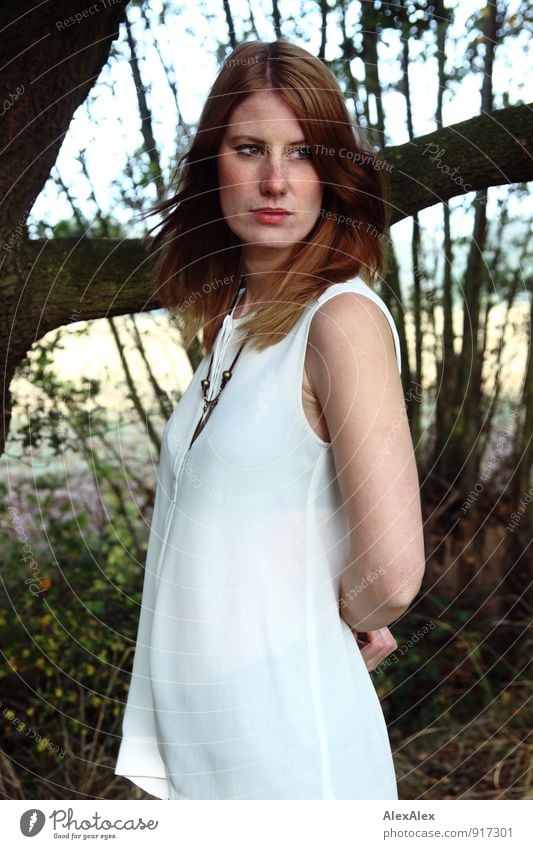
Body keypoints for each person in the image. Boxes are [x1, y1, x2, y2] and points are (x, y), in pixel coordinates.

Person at [114, 38, 425, 801]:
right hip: (215, 755)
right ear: (211, 164)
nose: (276, 180)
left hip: (290, 765)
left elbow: (390, 576)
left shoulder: (339, 319)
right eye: (249, 148)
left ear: (333, 171)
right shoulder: (236, 326)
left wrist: (344, 612)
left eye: (301, 153)